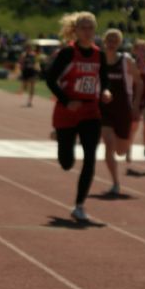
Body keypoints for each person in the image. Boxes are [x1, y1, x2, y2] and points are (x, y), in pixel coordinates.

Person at [45, 12, 111, 222]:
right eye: (83, 27)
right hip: (67, 111)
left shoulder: (99, 55)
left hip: (90, 111)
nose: (87, 31)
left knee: (90, 157)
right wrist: (66, 100)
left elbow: (104, 79)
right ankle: (63, 139)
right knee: (66, 163)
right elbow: (50, 79)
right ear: (75, 30)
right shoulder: (67, 53)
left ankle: (79, 206)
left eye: (91, 27)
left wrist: (106, 92)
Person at [99, 29, 143, 196]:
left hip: (123, 108)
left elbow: (139, 83)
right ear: (104, 41)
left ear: (119, 43)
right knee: (109, 143)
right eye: (109, 39)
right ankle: (115, 183)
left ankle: (128, 140)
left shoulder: (126, 61)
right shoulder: (99, 60)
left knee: (121, 151)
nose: (111, 42)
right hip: (104, 108)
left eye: (115, 40)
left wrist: (136, 104)